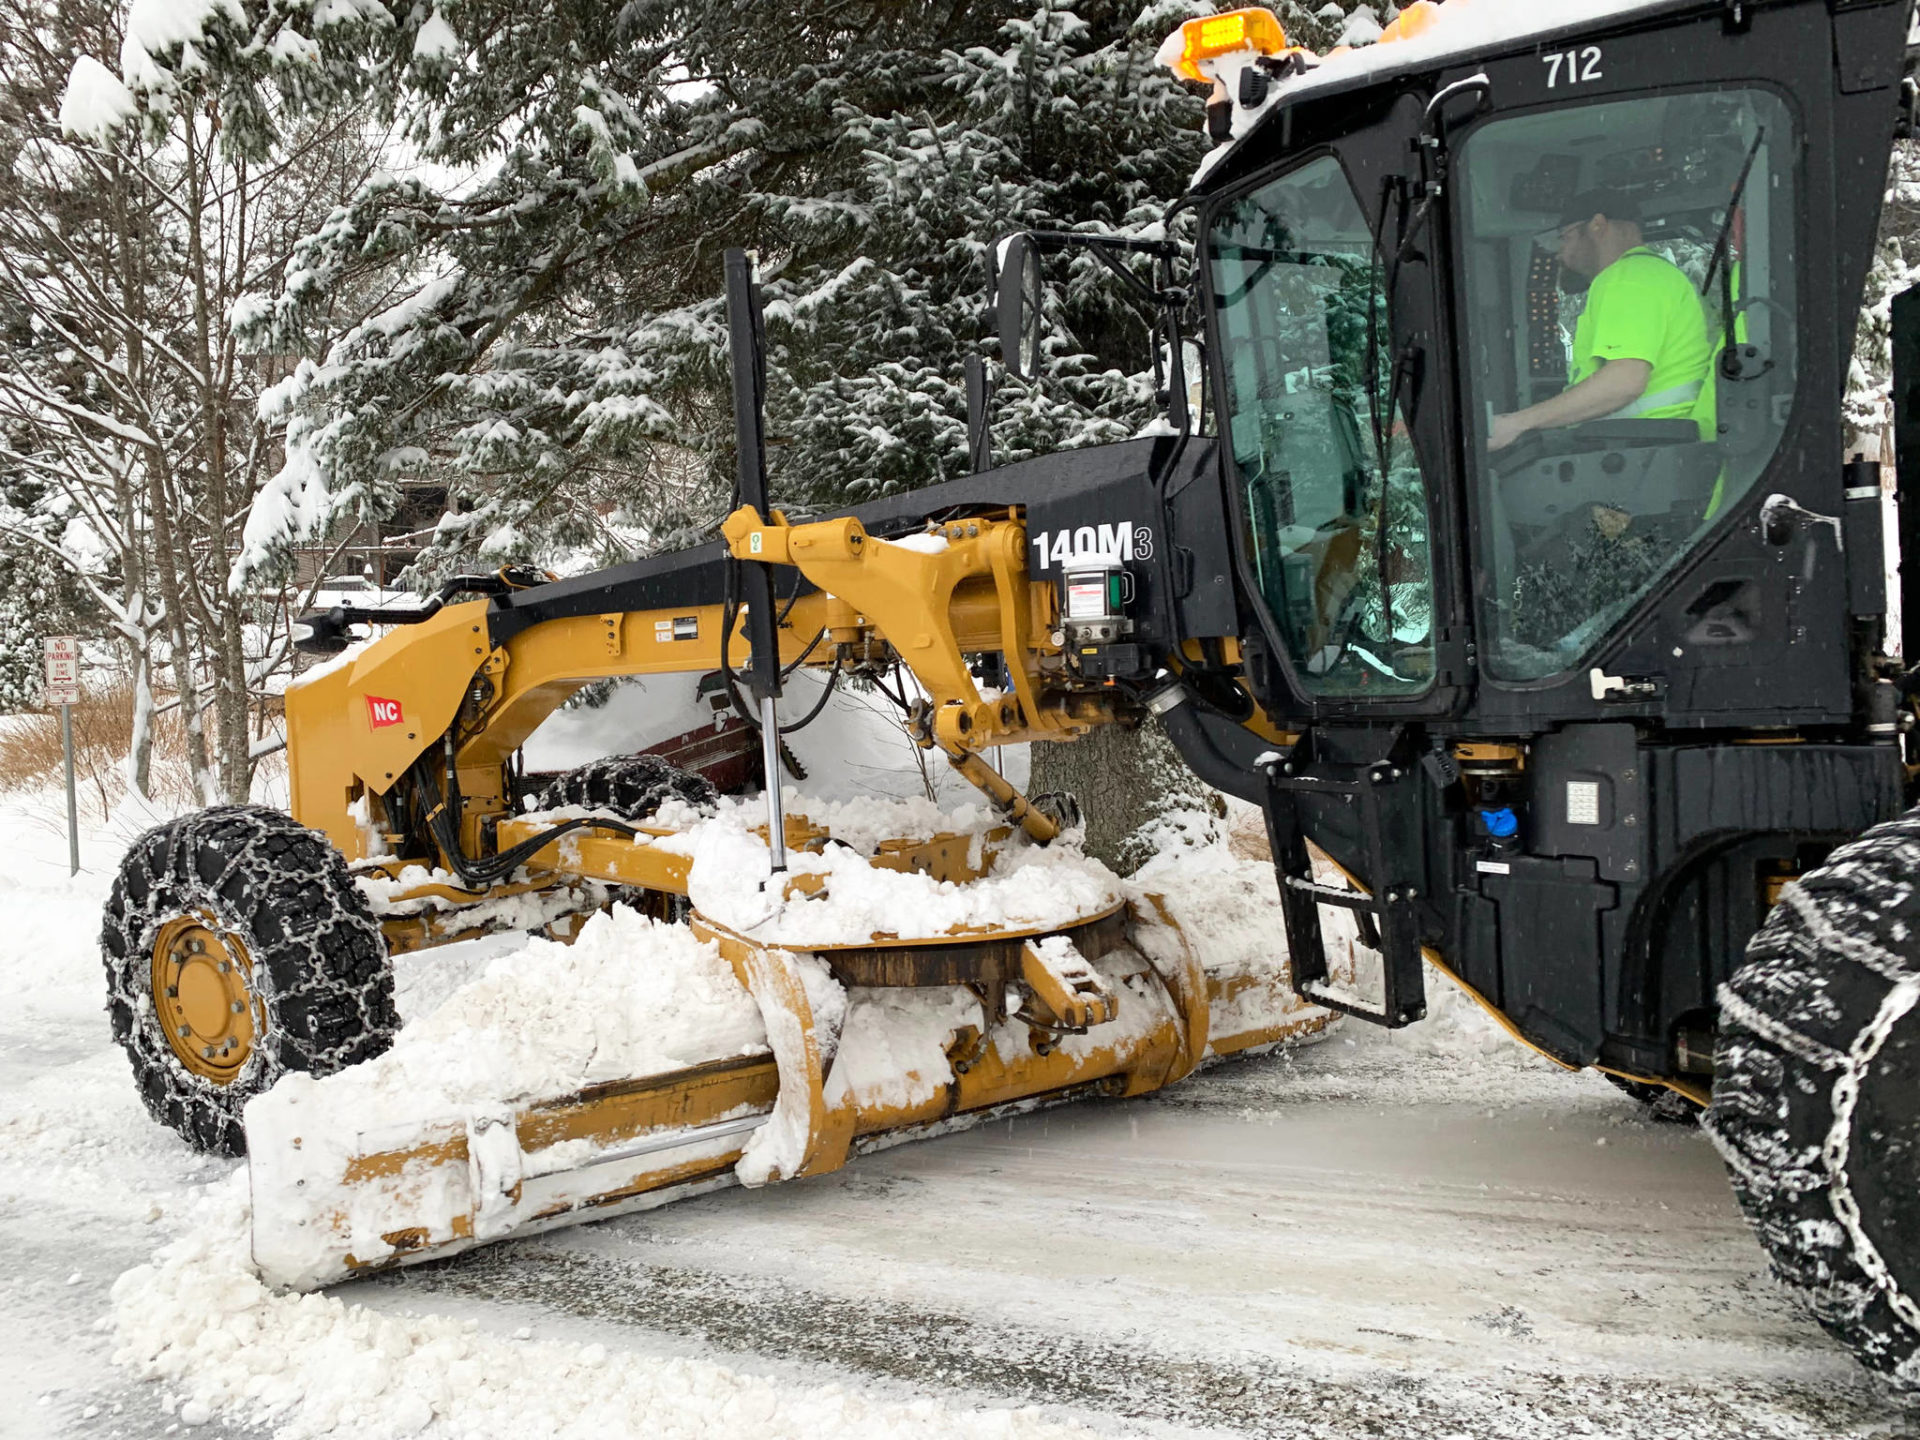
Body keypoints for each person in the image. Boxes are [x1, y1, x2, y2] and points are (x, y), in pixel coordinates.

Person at [1488, 190, 1712, 452]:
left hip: (1639, 451)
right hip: (1659, 448)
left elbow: (1624, 382)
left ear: (1597, 225)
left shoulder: (1628, 278)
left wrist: (1516, 423)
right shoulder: (1655, 274)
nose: (1560, 253)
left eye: (1565, 238)